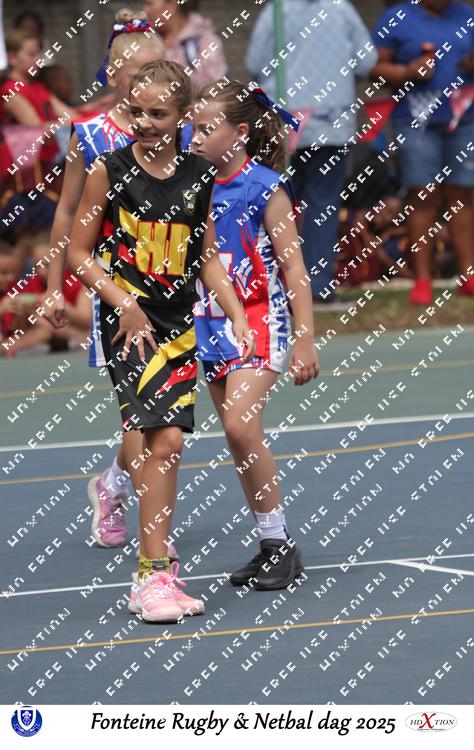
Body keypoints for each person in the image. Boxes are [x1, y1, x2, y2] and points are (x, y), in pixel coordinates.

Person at [67, 60, 256, 622]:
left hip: (177, 323)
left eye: (158, 113)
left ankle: (155, 570)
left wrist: (236, 314)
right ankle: (151, 577)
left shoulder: (199, 175)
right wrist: (123, 302)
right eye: (136, 111)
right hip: (130, 324)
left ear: (183, 115)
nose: (145, 122)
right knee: (164, 440)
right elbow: (78, 253)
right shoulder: (109, 170)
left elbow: (206, 256)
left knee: (166, 445)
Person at [43, 8, 166, 551]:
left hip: (174, 287)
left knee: (162, 417)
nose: (154, 84)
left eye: (162, 72)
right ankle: (156, 542)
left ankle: (111, 485)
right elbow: (67, 213)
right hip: (117, 290)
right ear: (114, 74)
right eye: (141, 74)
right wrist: (53, 286)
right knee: (142, 415)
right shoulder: (91, 135)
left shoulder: (178, 127)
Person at [191, 80, 319, 590]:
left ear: (239, 132)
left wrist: (305, 338)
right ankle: (273, 541)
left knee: (241, 426)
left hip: (261, 320)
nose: (195, 139)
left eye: (206, 129)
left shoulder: (265, 187)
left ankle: (280, 545)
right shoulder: (193, 185)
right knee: (237, 437)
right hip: (209, 322)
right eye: (192, 129)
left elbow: (295, 269)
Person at [245, 0, 377, 305]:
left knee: (274, 206)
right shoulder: (341, 9)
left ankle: (270, 287)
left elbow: (254, 62)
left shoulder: (276, 10)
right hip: (332, 124)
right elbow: (367, 62)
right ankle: (316, 287)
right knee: (322, 206)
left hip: (282, 126)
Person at [371, 0, 474, 303]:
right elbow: (373, 69)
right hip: (415, 121)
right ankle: (423, 279)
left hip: (464, 117)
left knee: (463, 195)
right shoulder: (396, 18)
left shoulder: (466, 14)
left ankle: (468, 275)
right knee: (423, 195)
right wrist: (407, 71)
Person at [142, 0, 227, 91]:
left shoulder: (203, 40)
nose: (145, 11)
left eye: (149, 4)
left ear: (173, 4)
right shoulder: (145, 37)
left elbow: (215, 89)